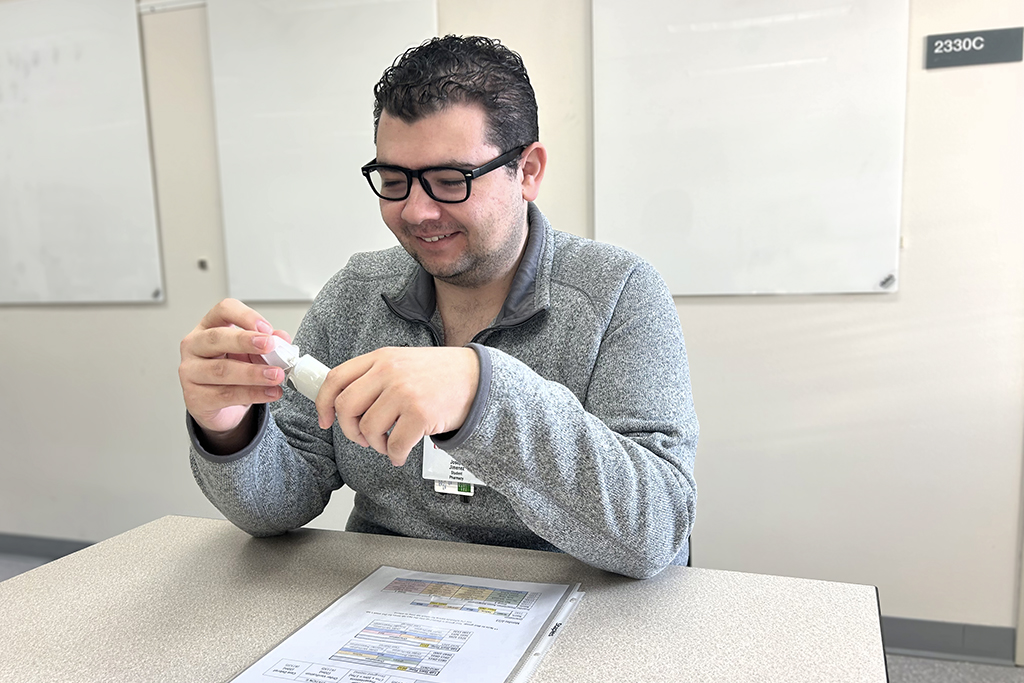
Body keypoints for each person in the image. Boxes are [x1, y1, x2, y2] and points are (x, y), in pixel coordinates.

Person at [179, 35, 697, 579]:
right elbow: (280, 504)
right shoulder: (355, 294)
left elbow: (657, 532)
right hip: (384, 602)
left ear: (528, 171)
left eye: (451, 181)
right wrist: (229, 429)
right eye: (394, 181)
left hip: (571, 605)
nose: (417, 212)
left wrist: (481, 393)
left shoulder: (620, 294)